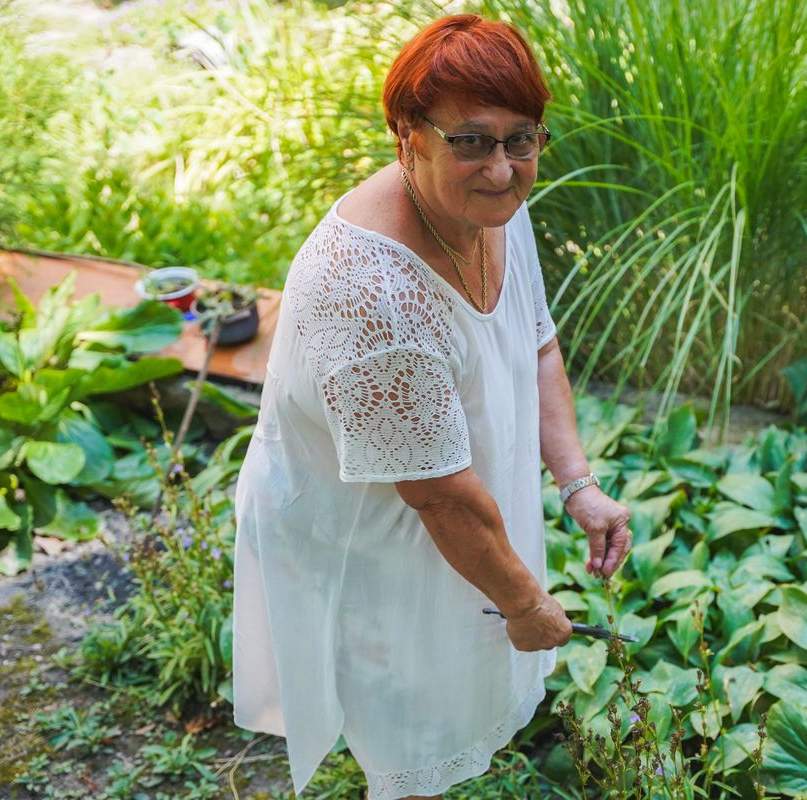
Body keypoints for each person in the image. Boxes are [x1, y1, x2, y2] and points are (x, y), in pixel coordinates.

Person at [230, 13, 633, 800]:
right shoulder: (372, 293)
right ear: (406, 134)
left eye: (524, 139)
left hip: (455, 511)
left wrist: (578, 485)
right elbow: (439, 498)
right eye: (472, 141)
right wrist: (525, 604)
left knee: (454, 675)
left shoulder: (490, 206)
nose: (504, 169)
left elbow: (536, 342)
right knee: (407, 728)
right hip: (369, 533)